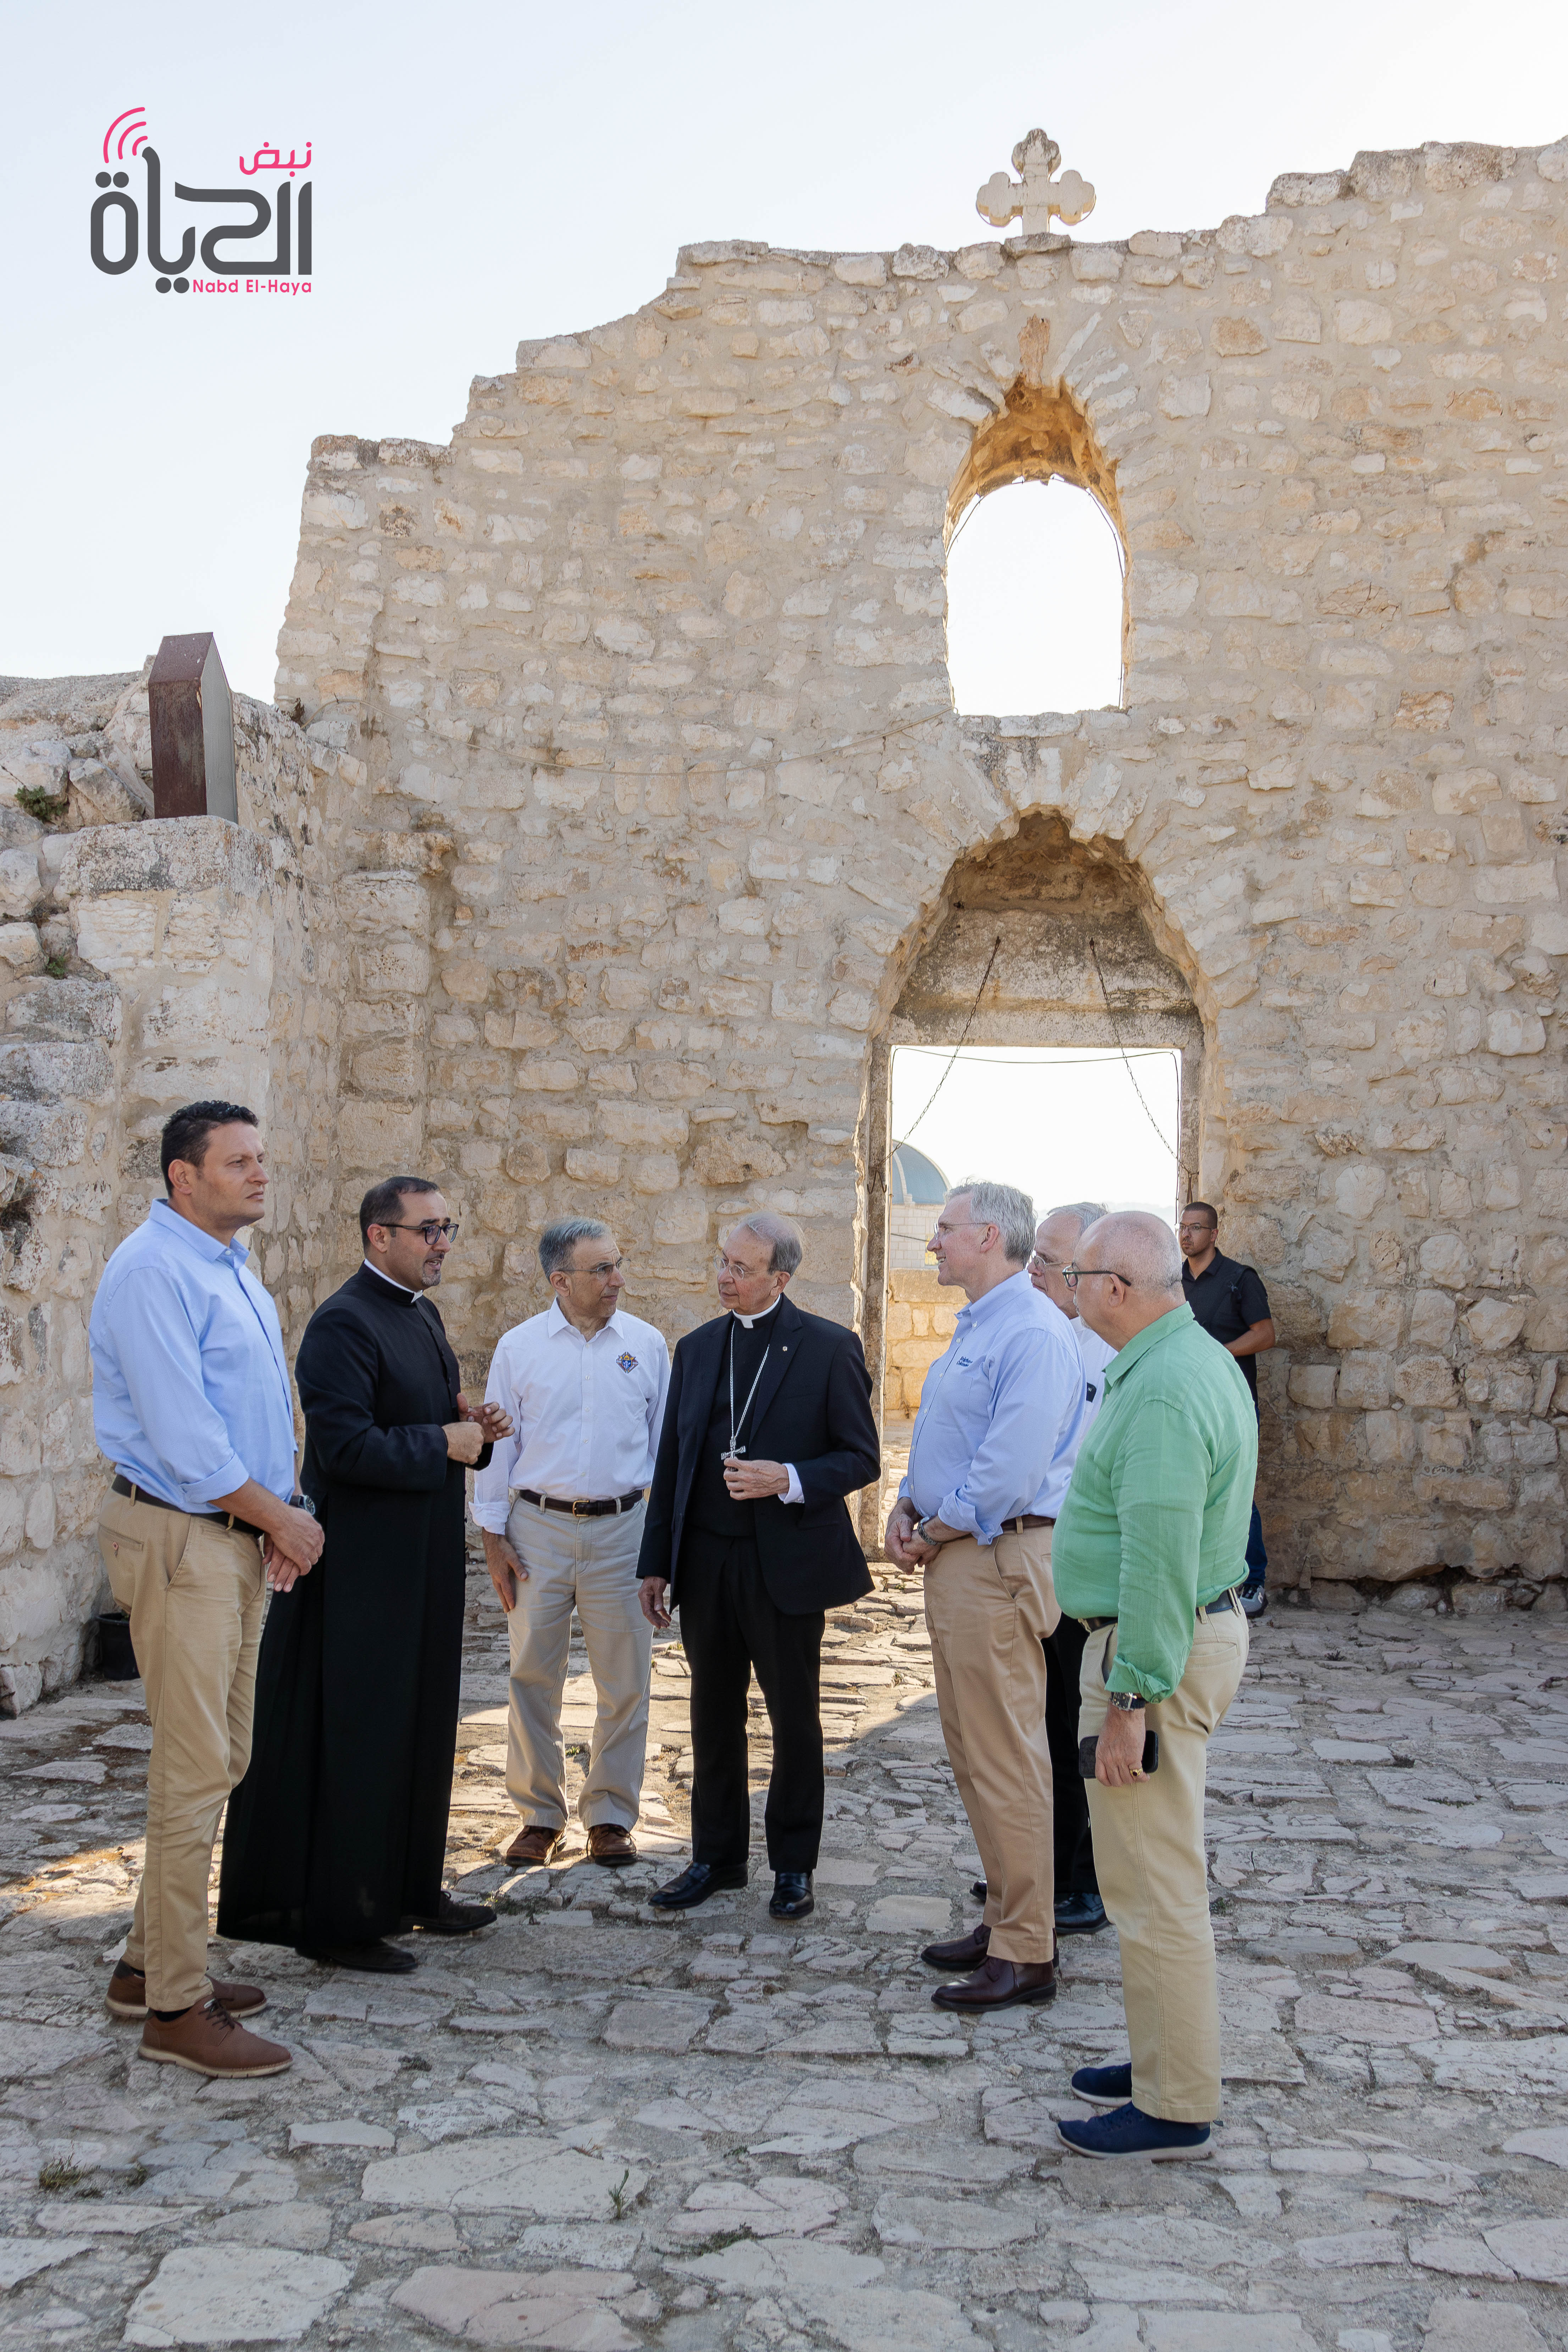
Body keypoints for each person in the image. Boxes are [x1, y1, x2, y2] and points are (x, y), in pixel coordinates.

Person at [218, 1178, 511, 1974]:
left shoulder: (421, 1315)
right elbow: (344, 1449)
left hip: (419, 1563)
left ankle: (407, 1889)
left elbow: (427, 1428)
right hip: (360, 1573)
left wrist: (472, 1434)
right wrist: (444, 1442)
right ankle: (338, 1917)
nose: (442, 1241)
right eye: (427, 1229)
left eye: (447, 1226)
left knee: (419, 1726)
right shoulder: (344, 1323)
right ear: (378, 1236)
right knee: (361, 1736)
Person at [89, 1099, 323, 2079]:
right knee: (193, 1770)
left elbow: (258, 1416)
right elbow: (186, 1443)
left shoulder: (231, 1272)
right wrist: (280, 1520)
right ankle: (177, 2012)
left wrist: (275, 1513)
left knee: (222, 1754)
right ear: (183, 1177)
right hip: (186, 1537)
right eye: (238, 1163)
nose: (259, 1175)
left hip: (231, 1537)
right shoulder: (151, 1273)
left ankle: (149, 1966)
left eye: (261, 1159)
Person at [1050, 1211, 1256, 2162]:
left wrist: (1129, 1701)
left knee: (1155, 1886)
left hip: (1152, 1656)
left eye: (1078, 1274)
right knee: (1143, 1876)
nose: (1069, 1287)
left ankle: (1174, 2105)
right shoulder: (1175, 1360)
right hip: (1162, 1646)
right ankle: (1157, 2060)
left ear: (1118, 1288)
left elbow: (1159, 1558)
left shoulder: (1166, 1388)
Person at [638, 1213, 879, 1922]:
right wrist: (657, 1563)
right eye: (722, 1263)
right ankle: (715, 1857)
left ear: (781, 1277)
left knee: (793, 1717)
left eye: (741, 1269)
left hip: (786, 1562)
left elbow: (860, 1456)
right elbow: (673, 1462)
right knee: (710, 1712)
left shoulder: (830, 1348)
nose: (725, 1277)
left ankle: (793, 1865)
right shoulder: (697, 1347)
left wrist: (789, 1477)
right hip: (707, 1558)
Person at [885, 1180, 1085, 2014]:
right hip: (960, 1551)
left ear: (990, 1236)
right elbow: (947, 1441)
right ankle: (1006, 1916)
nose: (932, 1241)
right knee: (974, 1749)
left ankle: (1026, 1950)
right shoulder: (986, 1324)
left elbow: (1004, 1470)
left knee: (1005, 1755)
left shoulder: (1032, 1332)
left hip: (992, 1555)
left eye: (944, 1227)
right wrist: (906, 1503)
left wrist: (932, 1528)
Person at [472, 1217, 670, 1871]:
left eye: (618, 1264)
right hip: (539, 1529)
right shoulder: (519, 1348)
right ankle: (539, 1814)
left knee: (626, 1678)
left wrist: (661, 1547)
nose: (618, 1280)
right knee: (532, 1672)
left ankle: (611, 1813)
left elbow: (663, 1448)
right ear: (561, 1280)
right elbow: (498, 1450)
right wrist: (492, 1536)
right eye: (602, 1270)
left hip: (623, 1529)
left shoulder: (645, 1344)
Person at [1021, 1201, 1117, 1938]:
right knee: (1041, 1725)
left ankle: (1084, 1880)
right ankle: (1044, 1863)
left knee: (1078, 1726)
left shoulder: (1111, 1356)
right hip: (1045, 1560)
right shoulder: (1053, 1339)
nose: (1034, 1269)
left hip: (1085, 1567)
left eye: (1048, 1260)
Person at [1179, 1202, 1275, 1618]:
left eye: (1195, 1228)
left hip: (1231, 1403)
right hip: (1184, 1402)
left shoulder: (1240, 1279)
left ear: (1213, 1233)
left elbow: (1266, 1334)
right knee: (1186, 1491)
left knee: (1236, 1493)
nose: (1186, 1235)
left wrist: (1218, 1354)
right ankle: (1198, 1581)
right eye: (1181, 1227)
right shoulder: (1172, 1281)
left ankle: (1253, 1580)